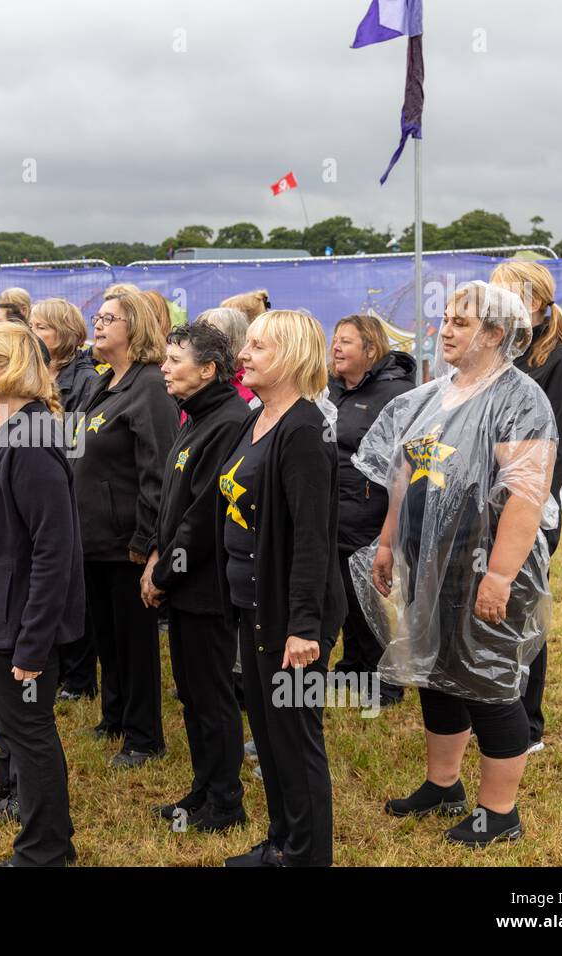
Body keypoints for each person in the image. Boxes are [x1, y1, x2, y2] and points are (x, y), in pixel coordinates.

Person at [352, 281, 557, 847]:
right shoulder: (430, 396)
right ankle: (444, 785)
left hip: (481, 565)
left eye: (460, 323)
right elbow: (404, 475)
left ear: (495, 334)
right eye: (444, 319)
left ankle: (500, 813)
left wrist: (499, 574)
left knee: (486, 681)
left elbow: (527, 494)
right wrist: (390, 543)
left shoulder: (520, 399)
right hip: (428, 562)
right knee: (434, 671)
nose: (444, 330)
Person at [216, 309, 345, 868]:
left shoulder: (303, 430)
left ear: (291, 357)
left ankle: (306, 856)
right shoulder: (259, 417)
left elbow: (313, 541)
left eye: (259, 348)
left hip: (290, 619)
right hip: (254, 607)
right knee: (269, 739)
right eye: (246, 346)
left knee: (295, 741)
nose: (244, 355)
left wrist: (303, 628)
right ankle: (281, 843)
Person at [0, 321, 84, 866]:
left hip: (19, 625)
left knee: (30, 735)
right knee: (15, 731)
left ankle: (46, 851)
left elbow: (56, 552)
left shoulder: (31, 443)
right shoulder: (3, 434)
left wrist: (33, 644)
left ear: (10, 369)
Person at [141, 323, 251, 831]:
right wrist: (156, 555)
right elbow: (173, 502)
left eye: (175, 360)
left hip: (205, 589)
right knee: (192, 693)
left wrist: (165, 573)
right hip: (183, 583)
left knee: (212, 697)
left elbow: (205, 514)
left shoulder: (228, 420)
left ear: (208, 370)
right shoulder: (195, 415)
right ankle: (204, 788)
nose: (165, 367)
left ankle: (226, 802)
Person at [490, 259, 562, 753]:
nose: (492, 309)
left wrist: (514, 504)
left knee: (523, 614)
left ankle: (526, 725)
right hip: (487, 510)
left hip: (528, 512)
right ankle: (493, 710)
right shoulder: (502, 359)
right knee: (490, 613)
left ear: (532, 302)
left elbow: (555, 457)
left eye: (502, 298)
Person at [73, 290, 177, 766]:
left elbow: (159, 468)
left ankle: (143, 736)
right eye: (97, 317)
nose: (97, 324)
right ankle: (114, 715)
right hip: (94, 539)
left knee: (134, 643)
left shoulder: (150, 385)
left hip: (126, 543)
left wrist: (146, 541)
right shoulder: (106, 381)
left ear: (133, 328)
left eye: (108, 318)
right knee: (108, 637)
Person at [327, 314, 416, 705]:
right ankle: (353, 668)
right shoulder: (330, 389)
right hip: (334, 509)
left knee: (371, 598)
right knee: (345, 596)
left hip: (372, 513)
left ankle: (386, 680)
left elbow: (407, 461)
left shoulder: (395, 394)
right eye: (335, 340)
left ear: (370, 349)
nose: (336, 347)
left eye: (346, 341)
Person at [28, 298, 98, 414]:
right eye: (30, 327)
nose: (31, 333)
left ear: (65, 333)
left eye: (41, 327)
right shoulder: (25, 370)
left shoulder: (87, 381)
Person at [196, 307, 256, 404]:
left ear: (233, 341)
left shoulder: (250, 391)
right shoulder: (196, 383)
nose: (199, 345)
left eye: (209, 338)